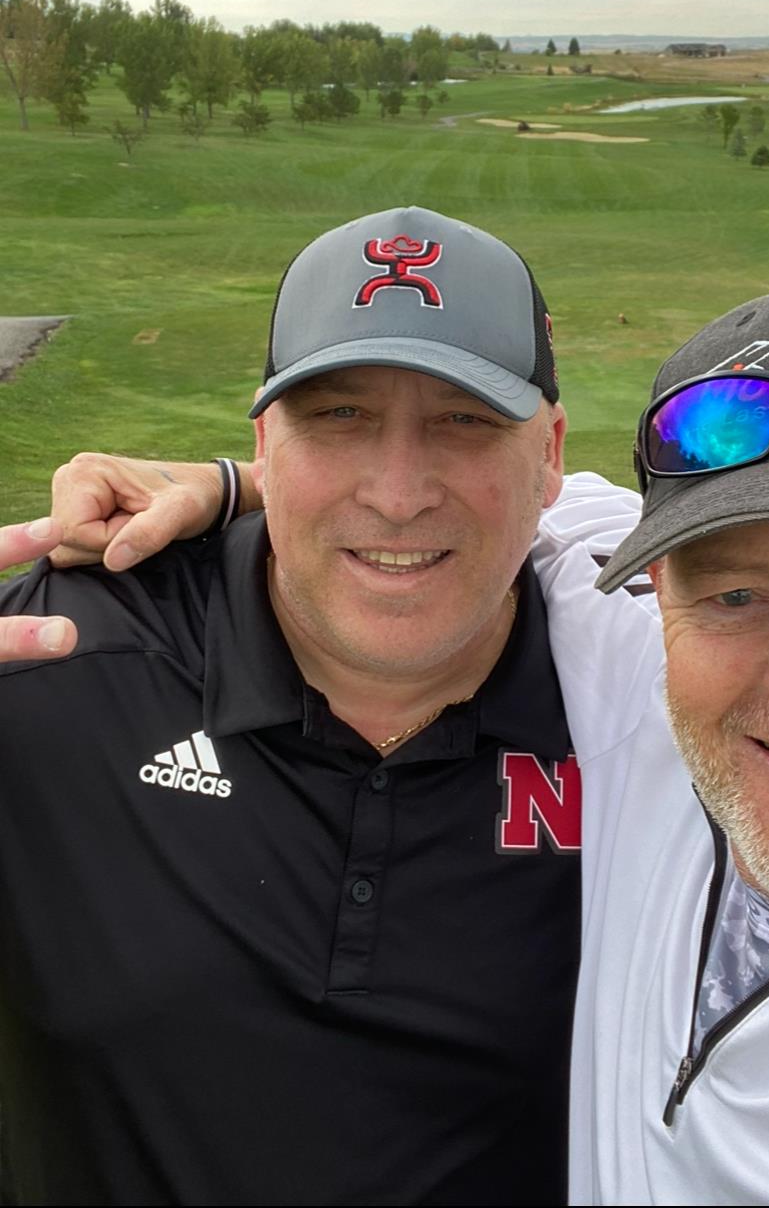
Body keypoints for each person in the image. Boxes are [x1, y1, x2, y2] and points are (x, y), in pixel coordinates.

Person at [10, 282, 769, 1204]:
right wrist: (238, 488)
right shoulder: (626, 660)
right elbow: (476, 506)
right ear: (657, 596)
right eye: (735, 597)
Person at [0, 205, 580, 1205]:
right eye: (339, 416)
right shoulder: (56, 658)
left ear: (553, 451)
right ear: (264, 443)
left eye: (464, 420)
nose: (398, 494)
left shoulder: (646, 703)